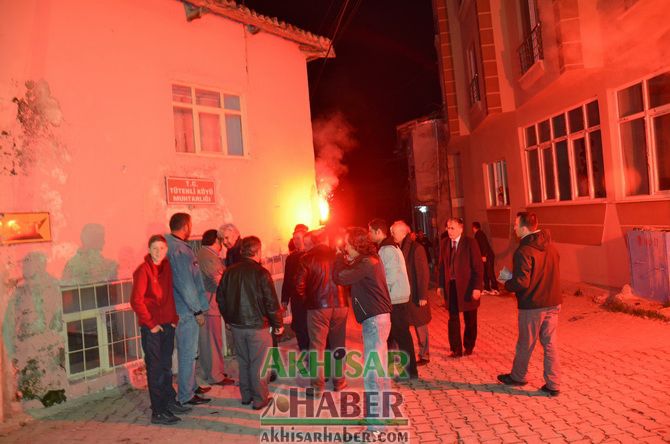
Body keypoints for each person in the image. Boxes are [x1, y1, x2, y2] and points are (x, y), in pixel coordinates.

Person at [333, 227, 392, 435]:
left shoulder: (368, 262)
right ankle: (384, 417)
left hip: (375, 322)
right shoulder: (367, 260)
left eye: (348, 244)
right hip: (378, 320)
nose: (346, 247)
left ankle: (376, 427)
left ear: (357, 245)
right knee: (380, 372)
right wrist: (345, 256)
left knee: (372, 374)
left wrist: (339, 256)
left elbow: (340, 276)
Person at [497, 212, 562, 397]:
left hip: (533, 306)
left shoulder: (523, 251)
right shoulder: (551, 246)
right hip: (553, 302)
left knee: (525, 343)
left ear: (525, 228)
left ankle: (518, 377)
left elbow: (522, 282)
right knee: (551, 344)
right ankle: (553, 384)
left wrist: (506, 284)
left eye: (516, 225)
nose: (514, 228)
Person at [217, 236, 284, 410]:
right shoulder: (261, 273)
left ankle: (246, 396)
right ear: (257, 251)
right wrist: (278, 324)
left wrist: (229, 319)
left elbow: (220, 299)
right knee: (259, 363)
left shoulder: (229, 272)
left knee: (244, 361)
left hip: (237, 326)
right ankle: (260, 399)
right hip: (257, 326)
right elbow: (271, 302)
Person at [130, 235, 182, 425]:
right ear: (149, 249)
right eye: (154, 248)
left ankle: (168, 401)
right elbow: (136, 301)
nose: (158, 251)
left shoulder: (166, 267)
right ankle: (158, 412)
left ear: (166, 249)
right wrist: (151, 324)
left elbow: (169, 294)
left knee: (166, 367)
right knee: (156, 370)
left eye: (161, 248)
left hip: (168, 325)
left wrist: (174, 318)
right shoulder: (143, 271)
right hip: (152, 329)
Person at [165, 213, 211, 407]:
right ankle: (186, 394)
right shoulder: (180, 250)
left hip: (178, 307)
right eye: (190, 225)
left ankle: (190, 387)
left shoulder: (170, 245)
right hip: (186, 310)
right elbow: (185, 284)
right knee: (188, 353)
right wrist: (197, 310)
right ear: (186, 226)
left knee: (188, 352)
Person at [296, 229, 348, 395]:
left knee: (317, 347)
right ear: (325, 240)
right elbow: (347, 278)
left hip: (318, 307)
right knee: (338, 345)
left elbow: (299, 285)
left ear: (314, 241)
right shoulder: (338, 256)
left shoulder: (306, 258)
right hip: (340, 305)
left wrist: (308, 300)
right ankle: (339, 382)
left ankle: (318, 387)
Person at [368, 219, 417, 379]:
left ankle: (410, 372)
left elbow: (391, 274)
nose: (369, 234)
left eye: (370, 231)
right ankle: (404, 370)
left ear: (378, 233)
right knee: (396, 335)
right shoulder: (387, 247)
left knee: (401, 335)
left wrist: (381, 292)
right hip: (395, 297)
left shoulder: (387, 249)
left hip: (396, 298)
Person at [438, 217, 483, 358]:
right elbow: (441, 267)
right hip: (451, 286)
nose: (449, 231)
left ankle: (469, 345)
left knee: (470, 319)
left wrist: (477, 287)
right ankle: (455, 349)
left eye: (452, 228)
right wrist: (440, 285)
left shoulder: (470, 243)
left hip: (468, 286)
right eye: (448, 227)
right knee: (453, 318)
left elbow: (478, 267)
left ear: (461, 229)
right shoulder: (444, 243)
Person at [196, 229, 234, 389]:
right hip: (210, 304)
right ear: (216, 241)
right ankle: (215, 375)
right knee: (212, 341)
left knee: (207, 342)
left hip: (206, 303)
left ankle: (211, 372)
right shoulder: (208, 256)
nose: (224, 245)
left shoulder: (203, 254)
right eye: (222, 241)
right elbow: (219, 280)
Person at [391, 221, 432, 366]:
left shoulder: (416, 248)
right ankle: (401, 355)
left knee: (420, 324)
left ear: (403, 233)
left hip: (415, 294)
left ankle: (424, 354)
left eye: (394, 232)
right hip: (403, 294)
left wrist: (422, 295)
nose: (392, 235)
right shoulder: (397, 247)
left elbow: (423, 273)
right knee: (401, 325)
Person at [281, 225, 310, 352]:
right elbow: (287, 279)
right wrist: (284, 299)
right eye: (294, 239)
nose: (295, 241)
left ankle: (313, 353)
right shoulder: (291, 258)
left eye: (298, 238)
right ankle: (304, 350)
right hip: (296, 299)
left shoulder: (311, 255)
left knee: (310, 326)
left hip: (309, 298)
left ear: (305, 239)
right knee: (298, 326)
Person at [472, 222, 499, 295]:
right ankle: (487, 288)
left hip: (488, 256)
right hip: (485, 256)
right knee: (485, 272)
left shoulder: (479, 234)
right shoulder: (479, 234)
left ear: (474, 227)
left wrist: (484, 255)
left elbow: (483, 245)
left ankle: (495, 289)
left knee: (490, 272)